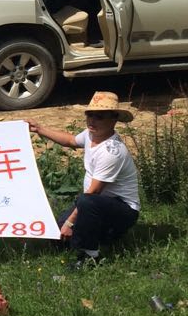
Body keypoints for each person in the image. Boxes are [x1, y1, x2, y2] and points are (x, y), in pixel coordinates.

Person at [27, 91, 140, 268]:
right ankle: (91, 237)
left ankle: (89, 256)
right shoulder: (91, 134)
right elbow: (71, 140)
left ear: (113, 119)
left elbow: (94, 192)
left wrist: (71, 222)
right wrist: (40, 129)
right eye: (89, 114)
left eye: (99, 116)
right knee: (58, 235)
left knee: (84, 205)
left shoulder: (111, 152)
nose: (92, 120)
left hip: (121, 209)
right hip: (95, 203)